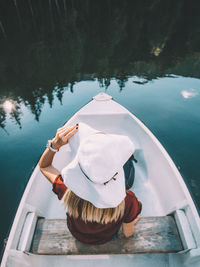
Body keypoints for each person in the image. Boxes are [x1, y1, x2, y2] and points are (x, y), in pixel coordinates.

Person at [39, 122, 142, 245]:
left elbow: (44, 166)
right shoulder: (128, 200)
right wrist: (131, 221)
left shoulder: (66, 189)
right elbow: (127, 233)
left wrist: (54, 145)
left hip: (77, 234)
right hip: (108, 238)